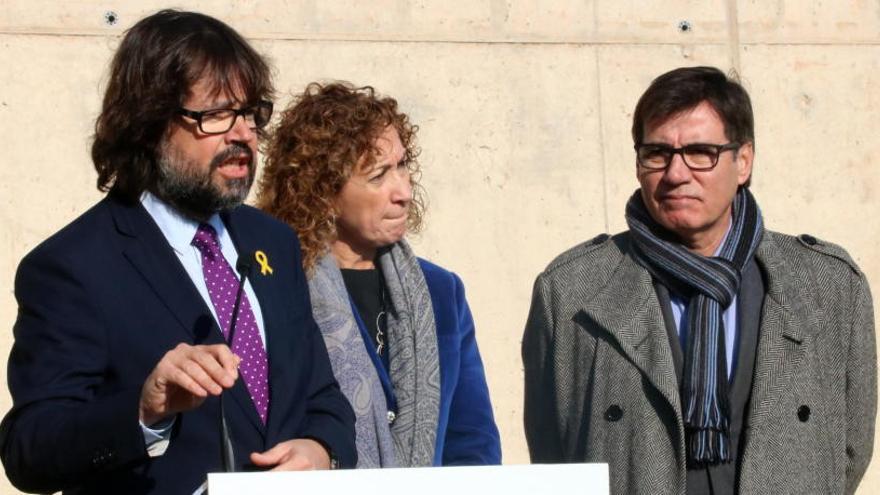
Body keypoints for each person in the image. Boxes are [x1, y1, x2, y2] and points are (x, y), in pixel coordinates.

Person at [0, 10, 356, 494]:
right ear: (148, 124)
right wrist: (144, 410)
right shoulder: (72, 267)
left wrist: (321, 451)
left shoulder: (271, 242)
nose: (244, 134)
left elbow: (322, 397)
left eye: (251, 113)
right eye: (216, 115)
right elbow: (30, 450)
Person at [522, 66, 876, 494]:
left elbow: (847, 452)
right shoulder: (571, 293)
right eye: (657, 153)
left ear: (743, 161)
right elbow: (554, 455)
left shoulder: (828, 288)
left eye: (700, 152)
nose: (676, 174)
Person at [257, 82, 501, 468]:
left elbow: (471, 439)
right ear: (322, 190)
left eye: (402, 165)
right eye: (378, 175)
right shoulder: (277, 290)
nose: (403, 190)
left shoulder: (441, 292)